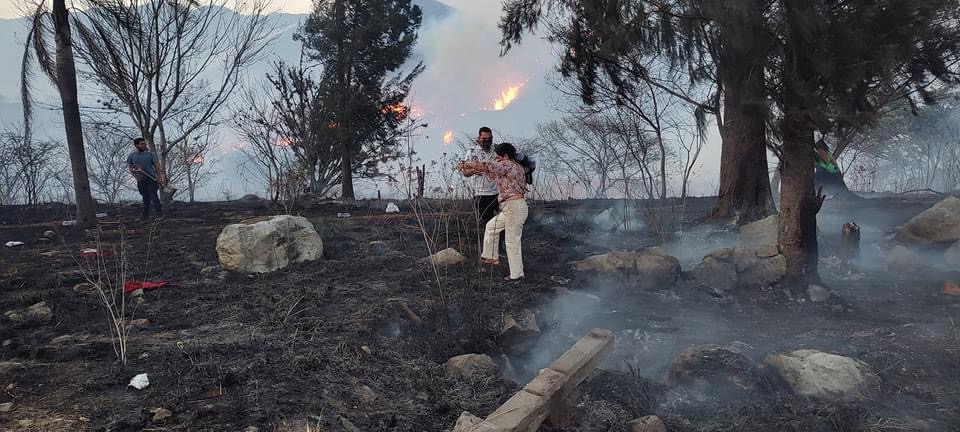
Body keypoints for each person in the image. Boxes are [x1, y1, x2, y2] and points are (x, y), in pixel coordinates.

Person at [457, 143, 529, 282]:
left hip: (514, 207)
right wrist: (469, 168)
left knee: (511, 242)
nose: (497, 159)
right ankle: (490, 257)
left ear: (505, 156)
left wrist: (467, 163)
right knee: (491, 227)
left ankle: (517, 275)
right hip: (510, 208)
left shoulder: (508, 164)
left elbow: (487, 166)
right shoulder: (512, 166)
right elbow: (487, 172)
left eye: (498, 157)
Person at [462, 127, 499, 228]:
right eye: (484, 139)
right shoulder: (472, 152)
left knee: (503, 222)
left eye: (489, 138)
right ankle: (490, 243)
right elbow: (465, 172)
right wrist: (475, 170)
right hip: (481, 193)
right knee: (488, 224)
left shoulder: (497, 150)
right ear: (479, 138)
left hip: (499, 192)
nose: (487, 141)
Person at [127, 137, 164, 220]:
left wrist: (160, 178)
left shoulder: (150, 155)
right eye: (142, 144)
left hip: (151, 180)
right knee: (145, 199)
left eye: (145, 144)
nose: (144, 145)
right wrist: (136, 177)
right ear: (136, 145)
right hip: (141, 180)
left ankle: (159, 215)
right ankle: (145, 216)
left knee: (154, 197)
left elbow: (157, 167)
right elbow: (130, 168)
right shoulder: (132, 156)